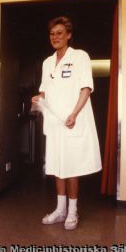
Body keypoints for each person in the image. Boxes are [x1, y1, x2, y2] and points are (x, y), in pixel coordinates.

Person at [32, 16, 102, 230]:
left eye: (60, 33)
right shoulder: (47, 62)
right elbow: (44, 89)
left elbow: (86, 88)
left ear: (69, 35)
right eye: (52, 34)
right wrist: (38, 98)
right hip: (54, 123)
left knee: (71, 167)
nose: (55, 37)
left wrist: (74, 113)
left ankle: (72, 211)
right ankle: (60, 210)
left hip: (73, 121)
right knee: (56, 165)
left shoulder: (80, 57)